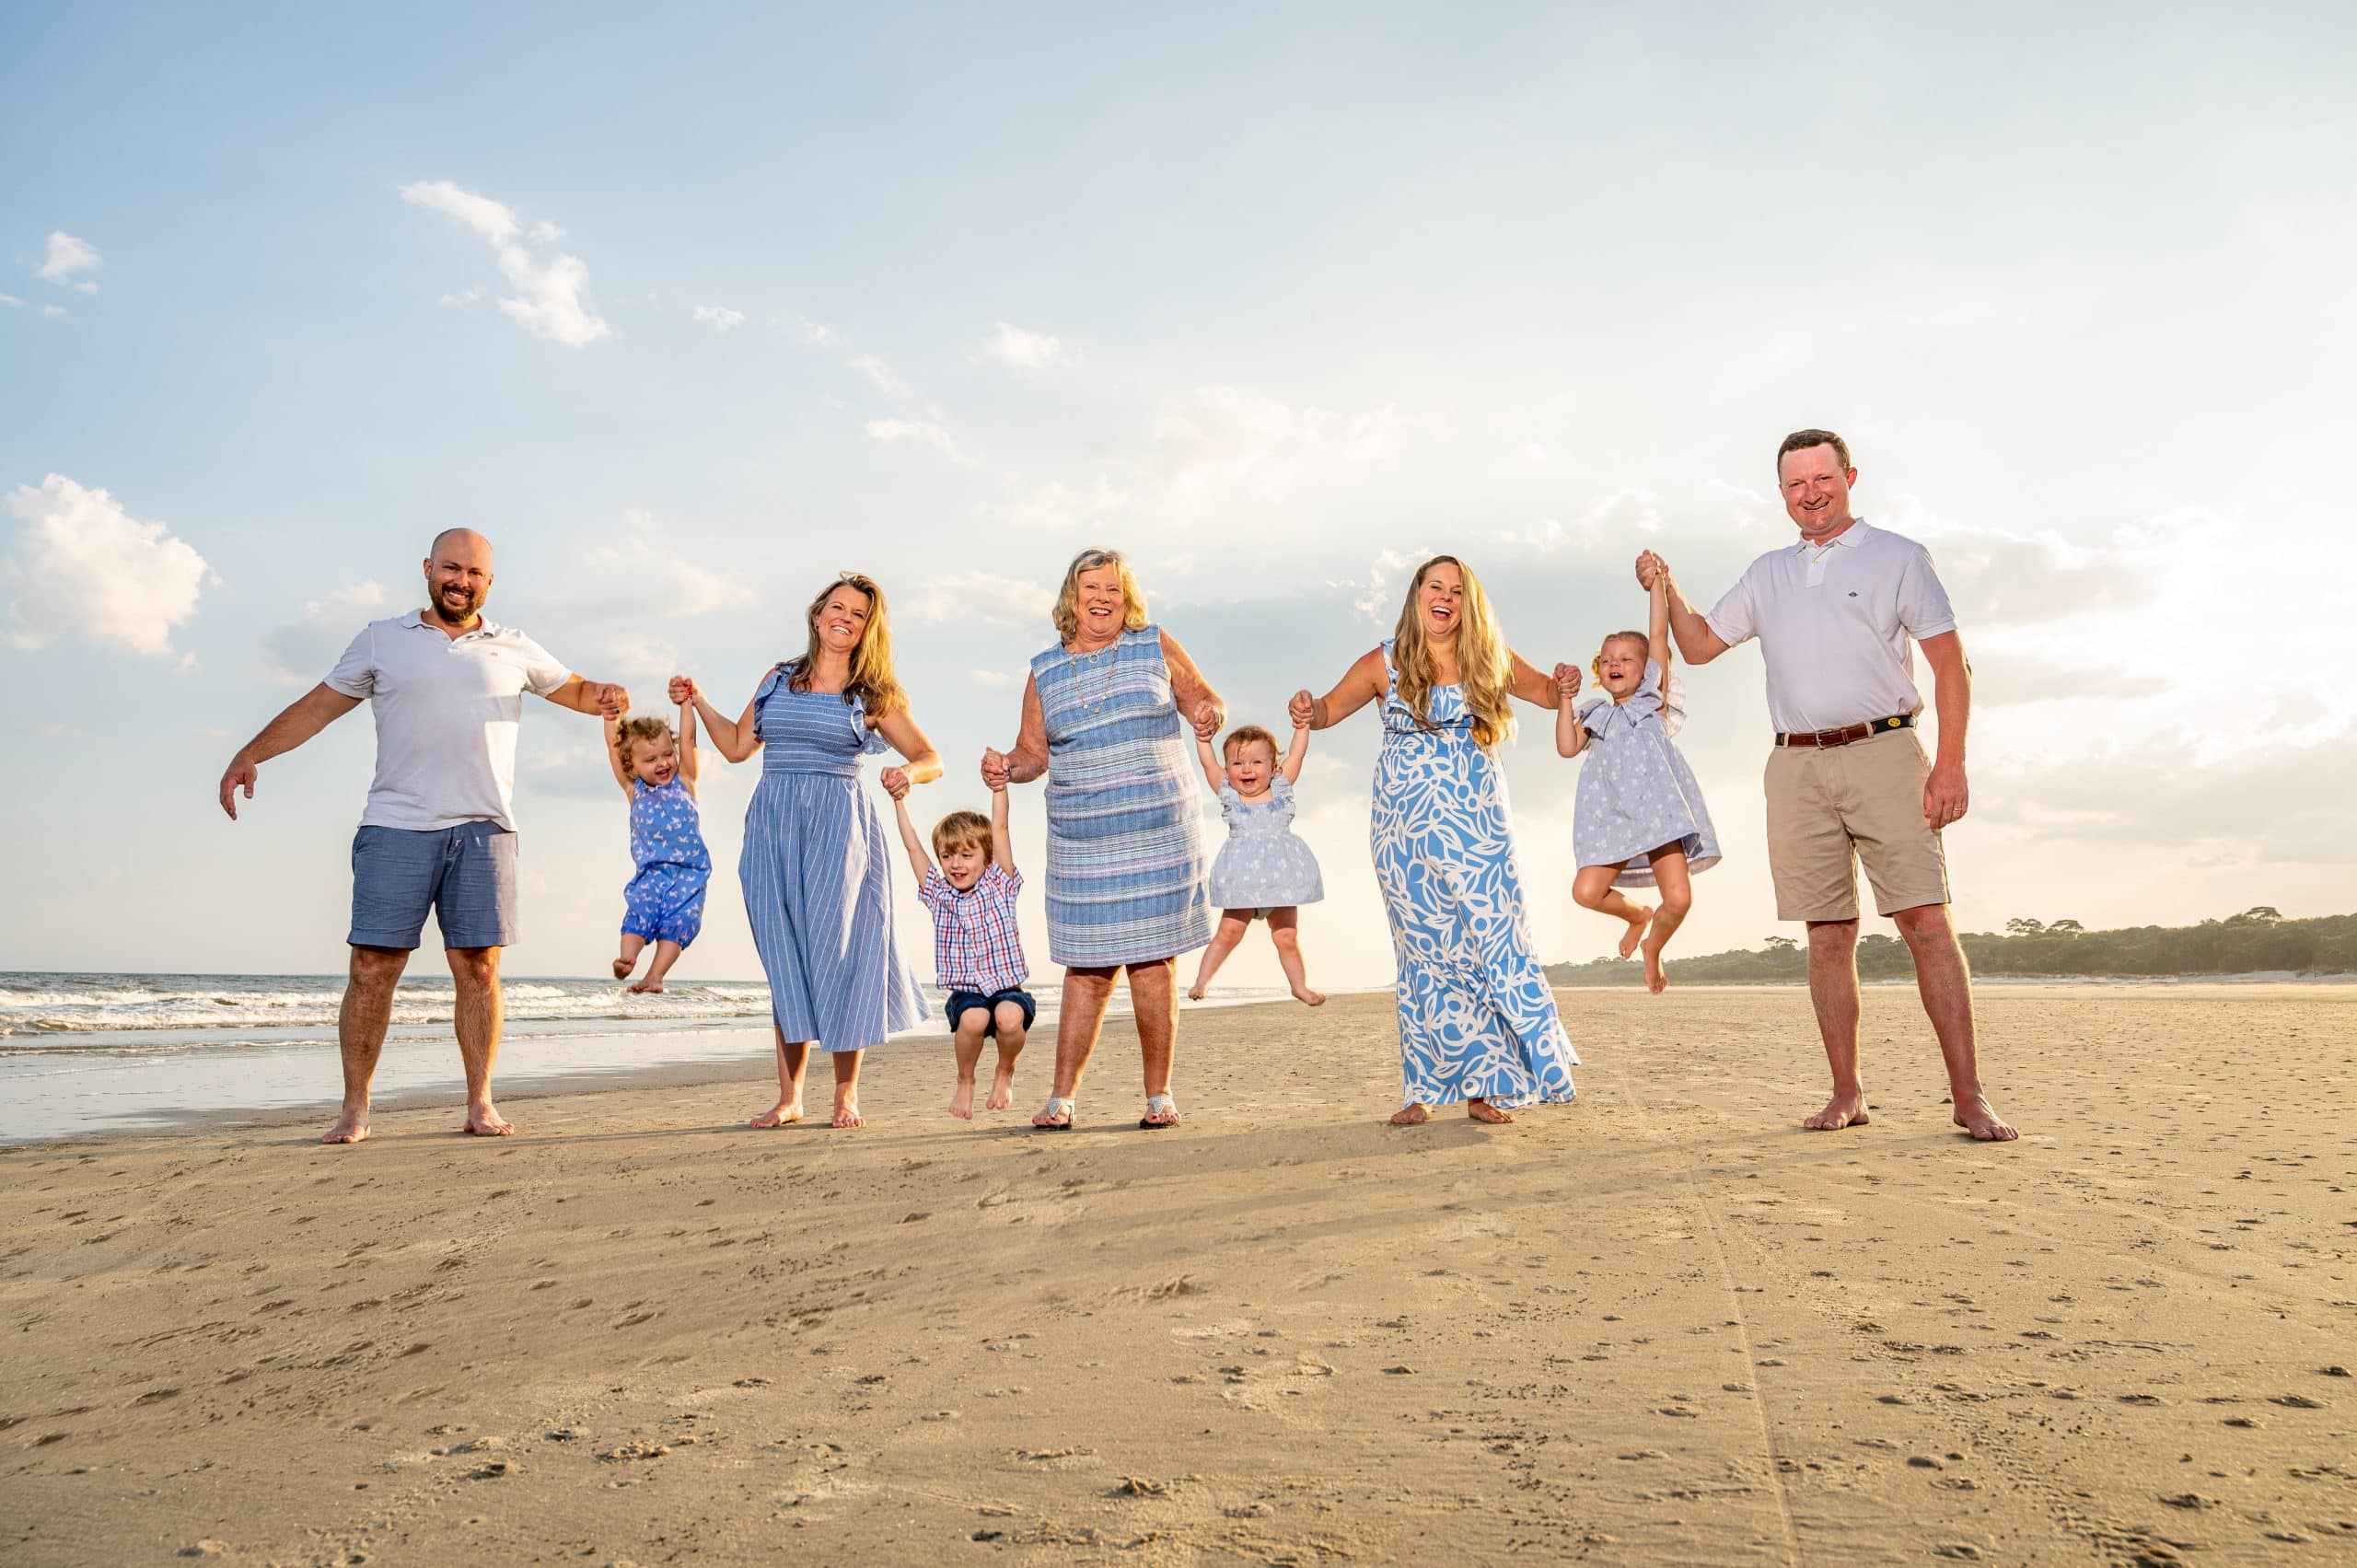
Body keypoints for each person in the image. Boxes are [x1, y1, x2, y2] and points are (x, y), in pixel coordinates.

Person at [1638, 427, 2017, 1141]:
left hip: (1886, 749)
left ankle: (1969, 1095)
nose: (1810, 494)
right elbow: (1697, 645)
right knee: (1826, 934)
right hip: (1795, 764)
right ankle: (1848, 1092)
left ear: (1849, 475)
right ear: (1781, 492)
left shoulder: (1898, 556)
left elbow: (1949, 664)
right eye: (1795, 484)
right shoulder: (1767, 573)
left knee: (1925, 923)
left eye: (1822, 478)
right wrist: (1665, 583)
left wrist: (1951, 762)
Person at [215, 528, 627, 1144]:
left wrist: (607, 694)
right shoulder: (383, 639)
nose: (461, 580)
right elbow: (318, 705)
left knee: (479, 968)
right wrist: (252, 753)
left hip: (485, 830)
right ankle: (355, 1108)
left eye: (475, 573)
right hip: (395, 825)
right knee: (373, 966)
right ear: (428, 568)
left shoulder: (513, 646)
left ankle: (480, 1102)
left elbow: (574, 690)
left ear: (490, 583)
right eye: (451, 568)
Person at [1291, 554, 1579, 1125]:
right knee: (1423, 950)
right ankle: (1421, 1091)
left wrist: (1565, 682)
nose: (1444, 597)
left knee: (1493, 939)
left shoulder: (1488, 657)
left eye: (1456, 589)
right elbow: (1328, 710)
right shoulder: (1386, 661)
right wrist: (1306, 709)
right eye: (1434, 586)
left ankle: (1487, 1087)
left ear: (1467, 602)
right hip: (1403, 830)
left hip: (1478, 826)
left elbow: (1546, 691)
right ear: (1416, 594)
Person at [680, 572, 940, 1131]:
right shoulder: (778, 679)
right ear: (818, 612)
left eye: (859, 614)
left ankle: (845, 1094)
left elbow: (929, 756)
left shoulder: (871, 695)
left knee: (839, 956)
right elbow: (735, 748)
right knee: (785, 957)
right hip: (771, 827)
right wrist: (698, 701)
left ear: (869, 629)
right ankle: (789, 1096)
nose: (844, 617)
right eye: (837, 606)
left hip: (840, 830)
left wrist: (908, 773)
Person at [981, 547, 1221, 1132]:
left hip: (1159, 832)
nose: (1103, 598)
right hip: (1082, 844)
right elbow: (1034, 753)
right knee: (1087, 968)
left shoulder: (1153, 644)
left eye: (1114, 588)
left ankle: (1158, 1094)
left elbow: (1202, 701)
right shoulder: (1045, 670)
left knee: (1152, 961)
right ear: (1072, 597)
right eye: (1092, 588)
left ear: (1126, 596)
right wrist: (1005, 767)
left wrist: (1210, 714)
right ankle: (1062, 1097)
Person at [1555, 568, 1721, 993]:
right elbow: (1567, 748)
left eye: (1627, 659)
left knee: (1680, 899)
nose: (1615, 664)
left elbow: (1659, 635)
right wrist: (1566, 698)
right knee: (1586, 891)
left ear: (1646, 670)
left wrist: (1657, 587)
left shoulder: (1653, 705)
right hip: (1612, 821)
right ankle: (1636, 914)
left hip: (1660, 818)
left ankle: (1653, 947)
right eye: (1608, 659)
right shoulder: (1596, 715)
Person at [890, 784, 1033, 1121]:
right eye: (947, 856)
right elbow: (912, 847)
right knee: (974, 1019)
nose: (956, 864)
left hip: (1007, 989)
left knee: (1008, 1019)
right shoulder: (940, 895)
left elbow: (1000, 826)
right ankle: (965, 1080)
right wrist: (900, 801)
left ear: (987, 858)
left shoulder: (1000, 883)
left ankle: (1004, 1072)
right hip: (967, 993)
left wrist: (999, 788)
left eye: (967, 855)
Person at [1187, 720, 1326, 1005]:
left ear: (1274, 767)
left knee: (1286, 936)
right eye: (1238, 763)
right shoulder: (1229, 793)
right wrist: (1203, 739)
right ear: (1228, 770)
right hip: (1243, 881)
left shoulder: (1281, 787)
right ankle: (1203, 981)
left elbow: (1297, 755)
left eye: (1257, 762)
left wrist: (1302, 727)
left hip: (1280, 880)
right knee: (1229, 933)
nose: (1247, 769)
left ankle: (1299, 986)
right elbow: (1208, 765)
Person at [602, 685, 710, 994]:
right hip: (651, 873)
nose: (662, 763)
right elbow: (613, 748)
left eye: (667, 754)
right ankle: (627, 957)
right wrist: (610, 716)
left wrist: (686, 703)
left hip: (689, 873)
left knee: (680, 922)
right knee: (640, 913)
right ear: (631, 766)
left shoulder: (686, 780)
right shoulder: (634, 791)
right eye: (650, 759)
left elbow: (688, 740)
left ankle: (655, 975)